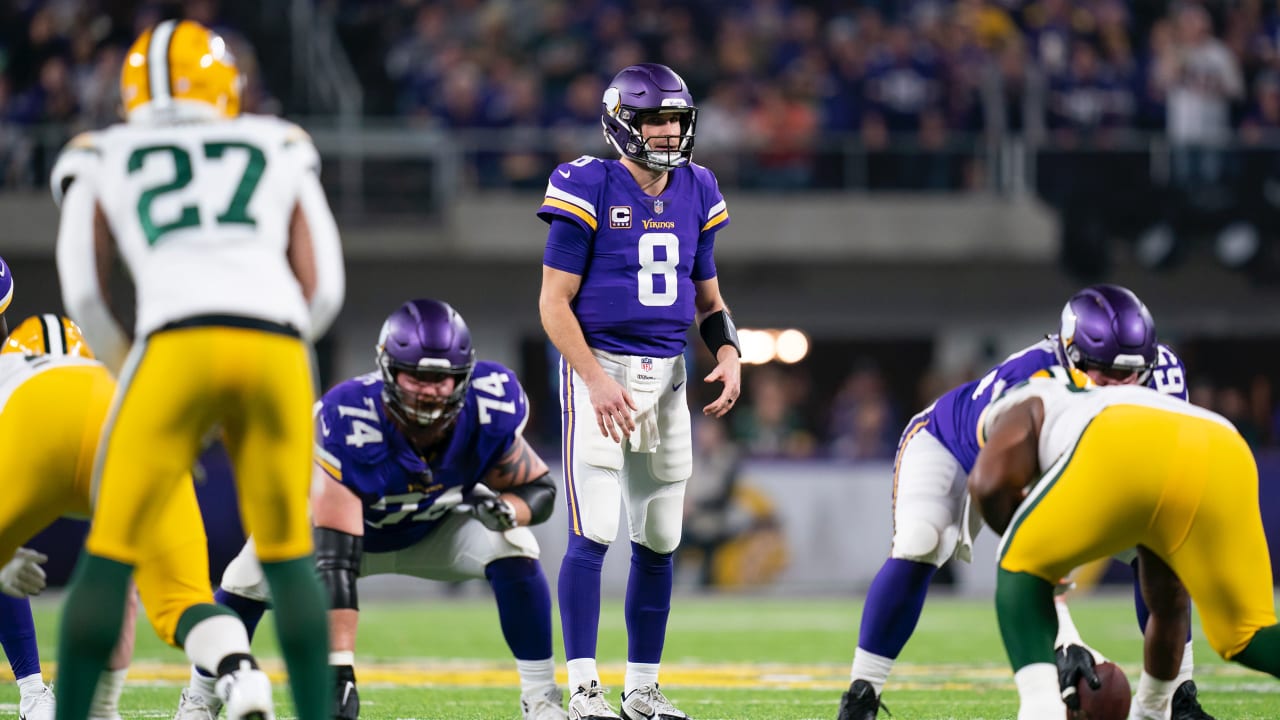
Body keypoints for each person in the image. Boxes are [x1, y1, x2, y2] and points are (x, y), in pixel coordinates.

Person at [50, 19, 344, 720]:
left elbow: (86, 292)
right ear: (226, 84)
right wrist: (274, 346)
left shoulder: (98, 150)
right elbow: (324, 284)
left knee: (110, 552)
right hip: (275, 343)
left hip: (173, 342)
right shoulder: (279, 140)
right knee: (287, 556)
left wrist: (134, 370)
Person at [174, 299, 569, 720]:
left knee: (515, 544)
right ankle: (200, 698)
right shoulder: (349, 417)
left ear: (465, 377)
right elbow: (336, 560)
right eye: (416, 375)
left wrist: (508, 511)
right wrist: (340, 671)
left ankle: (542, 698)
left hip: (430, 531)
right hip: (341, 539)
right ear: (388, 369)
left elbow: (538, 488)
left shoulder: (488, 406)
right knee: (244, 579)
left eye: (443, 378)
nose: (430, 388)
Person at [838, 284, 1215, 720]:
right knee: (922, 540)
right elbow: (1018, 522)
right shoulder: (1033, 389)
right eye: (1104, 373)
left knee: (1158, 548)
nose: (1119, 386)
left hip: (1073, 460)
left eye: (1131, 373)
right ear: (1070, 355)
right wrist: (1065, 637)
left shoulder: (1165, 380)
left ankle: (1179, 699)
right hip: (954, 448)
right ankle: (861, 696)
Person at [537, 62, 742, 720]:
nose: (667, 131)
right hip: (600, 370)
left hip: (668, 377)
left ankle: (642, 689)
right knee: (593, 529)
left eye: (676, 119)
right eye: (655, 118)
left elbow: (707, 297)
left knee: (659, 538)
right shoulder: (586, 183)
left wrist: (731, 351)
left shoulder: (697, 188)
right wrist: (593, 381)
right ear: (621, 122)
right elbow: (552, 303)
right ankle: (584, 689)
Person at [970, 369, 1280, 719]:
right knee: (1245, 633)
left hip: (1121, 440)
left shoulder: (1025, 401)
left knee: (1018, 565)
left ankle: (1041, 710)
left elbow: (986, 484)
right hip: (1224, 446)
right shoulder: (1106, 397)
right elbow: (1167, 599)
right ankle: (1151, 710)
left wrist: (1029, 556)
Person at [0, 314, 239, 720]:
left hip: (32, 435)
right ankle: (240, 672)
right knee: (180, 596)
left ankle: (51, 698)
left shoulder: (14, 376)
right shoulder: (107, 371)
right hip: (128, 426)